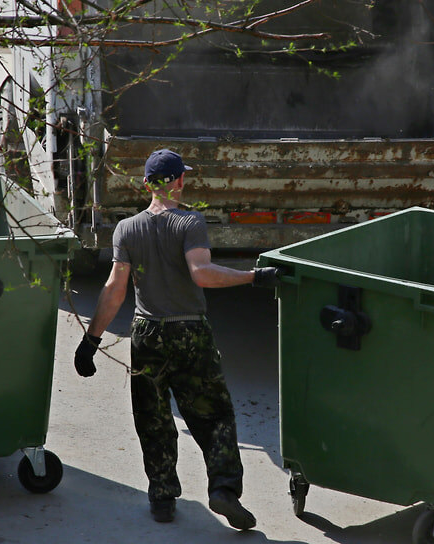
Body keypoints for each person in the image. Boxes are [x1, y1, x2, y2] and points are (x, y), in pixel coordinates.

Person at [73, 148, 281, 530]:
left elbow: (115, 287)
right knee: (214, 413)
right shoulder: (190, 222)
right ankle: (223, 488)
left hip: (146, 333)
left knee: (152, 418)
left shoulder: (127, 229)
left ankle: (163, 497)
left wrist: (92, 340)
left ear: (147, 185)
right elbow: (201, 273)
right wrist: (253, 276)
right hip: (190, 331)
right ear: (180, 181)